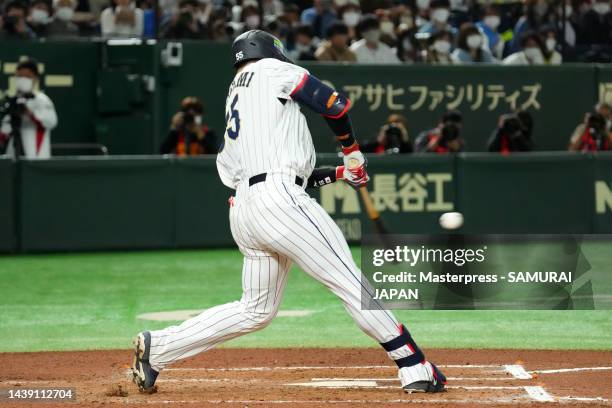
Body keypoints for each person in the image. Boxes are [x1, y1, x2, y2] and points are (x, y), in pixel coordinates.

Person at [131, 29, 446, 396]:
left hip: (247, 210)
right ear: (270, 52)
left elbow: (282, 173)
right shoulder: (270, 70)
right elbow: (335, 104)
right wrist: (351, 151)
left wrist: (341, 174)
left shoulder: (237, 95)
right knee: (350, 282)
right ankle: (414, 366)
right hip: (278, 200)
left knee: (255, 310)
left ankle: (159, 348)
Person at [0, 58, 57, 159]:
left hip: (36, 156)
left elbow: (51, 122)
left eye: (27, 76)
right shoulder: (12, 101)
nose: (22, 80)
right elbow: (4, 133)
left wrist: (28, 112)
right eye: (19, 76)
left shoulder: (42, 100)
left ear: (35, 78)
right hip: (13, 157)